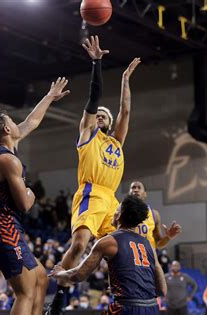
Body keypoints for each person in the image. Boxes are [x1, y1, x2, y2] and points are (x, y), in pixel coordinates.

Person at [48, 35, 141, 314]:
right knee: (79, 245)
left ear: (109, 123)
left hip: (111, 201)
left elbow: (125, 110)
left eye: (103, 115)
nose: (98, 115)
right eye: (96, 115)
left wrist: (125, 78)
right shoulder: (87, 135)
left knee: (121, 251)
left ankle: (125, 299)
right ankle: (59, 298)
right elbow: (94, 97)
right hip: (90, 193)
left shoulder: (116, 141)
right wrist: (97, 63)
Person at [0, 76, 70, 315]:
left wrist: (49, 97)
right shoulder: (7, 160)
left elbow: (31, 122)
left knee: (40, 277)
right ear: (7, 129)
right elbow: (25, 204)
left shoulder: (3, 148)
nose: (19, 123)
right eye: (12, 121)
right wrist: (31, 192)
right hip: (0, 225)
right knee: (25, 291)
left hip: (0, 224)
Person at [51, 195, 167, 315]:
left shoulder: (109, 242)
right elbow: (162, 290)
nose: (113, 212)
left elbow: (78, 275)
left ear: (119, 215)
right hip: (152, 308)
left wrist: (59, 273)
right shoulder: (149, 245)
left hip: (126, 307)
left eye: (116, 210)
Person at [129, 181, 182, 248]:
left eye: (139, 188)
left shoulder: (154, 214)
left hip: (148, 256)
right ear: (129, 193)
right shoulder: (120, 212)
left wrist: (168, 237)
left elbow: (158, 243)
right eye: (133, 187)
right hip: (129, 256)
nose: (136, 190)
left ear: (145, 194)